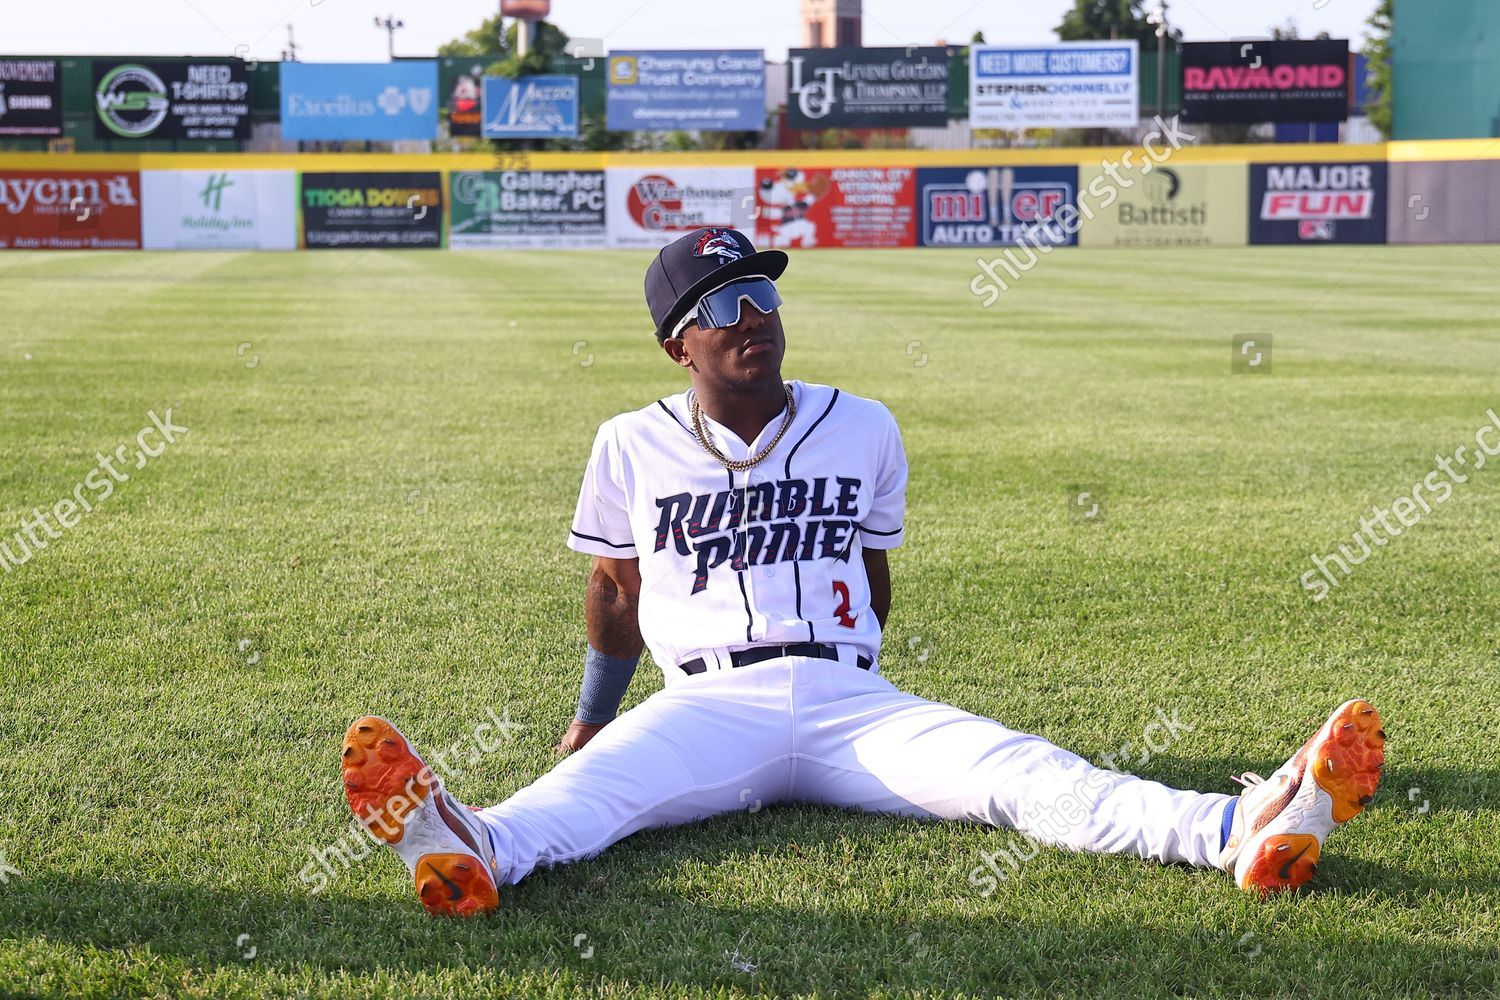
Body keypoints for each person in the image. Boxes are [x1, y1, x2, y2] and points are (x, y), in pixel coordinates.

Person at [340, 227, 1386, 917]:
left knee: (1022, 777)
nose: (754, 314)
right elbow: (616, 594)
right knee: (582, 800)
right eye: (724, 303)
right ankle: (467, 845)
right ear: (678, 345)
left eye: (762, 292)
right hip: (706, 701)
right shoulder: (628, 441)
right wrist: (589, 712)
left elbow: (874, 574)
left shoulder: (864, 424)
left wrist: (863, 675)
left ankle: (1238, 829)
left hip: (851, 696)